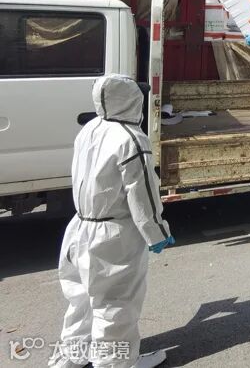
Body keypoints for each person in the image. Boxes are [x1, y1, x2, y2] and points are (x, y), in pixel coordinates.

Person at [50, 75, 172, 368]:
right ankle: (116, 364)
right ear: (132, 100)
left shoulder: (90, 128)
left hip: (80, 227)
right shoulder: (132, 139)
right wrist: (157, 233)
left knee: (80, 299)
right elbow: (143, 195)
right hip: (113, 236)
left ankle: (71, 358)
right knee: (115, 305)